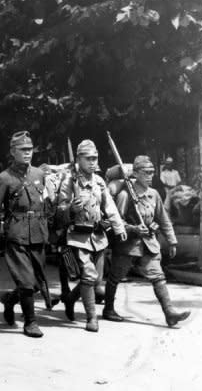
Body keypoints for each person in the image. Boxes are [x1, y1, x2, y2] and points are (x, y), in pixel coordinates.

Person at [0, 131, 53, 338]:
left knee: (35, 283)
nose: (28, 153)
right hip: (16, 235)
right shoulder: (4, 178)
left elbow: (46, 206)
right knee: (26, 282)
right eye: (23, 150)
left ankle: (9, 300)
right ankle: (30, 322)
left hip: (38, 233)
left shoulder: (39, 174)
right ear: (13, 152)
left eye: (30, 149)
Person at [103, 155, 190, 327]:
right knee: (115, 277)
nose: (151, 176)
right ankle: (108, 309)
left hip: (148, 244)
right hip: (127, 246)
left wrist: (172, 241)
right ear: (135, 173)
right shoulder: (125, 194)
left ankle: (169, 313)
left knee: (158, 277)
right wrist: (133, 228)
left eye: (152, 172)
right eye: (146, 172)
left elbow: (163, 219)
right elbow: (116, 221)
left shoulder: (154, 194)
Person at [57, 140, 127, 332]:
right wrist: (71, 208)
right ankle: (91, 318)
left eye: (95, 158)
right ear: (79, 159)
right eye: (88, 158)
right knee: (88, 275)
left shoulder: (99, 182)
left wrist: (119, 227)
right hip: (77, 236)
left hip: (98, 236)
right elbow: (59, 210)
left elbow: (109, 206)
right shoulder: (69, 181)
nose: (92, 162)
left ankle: (71, 299)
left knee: (95, 279)